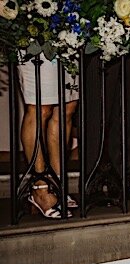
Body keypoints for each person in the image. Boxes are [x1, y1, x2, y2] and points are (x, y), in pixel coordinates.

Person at [18, 56, 81, 218]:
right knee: (40, 107)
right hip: (37, 43)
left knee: (67, 108)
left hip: (66, 43)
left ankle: (57, 184)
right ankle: (40, 188)